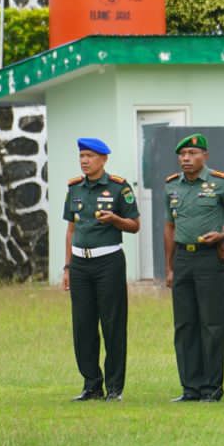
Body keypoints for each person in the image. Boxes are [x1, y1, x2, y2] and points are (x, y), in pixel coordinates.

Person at [164, 133, 224, 402]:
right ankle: (190, 387)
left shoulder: (221, 184)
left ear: (205, 156)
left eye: (192, 153)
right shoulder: (172, 186)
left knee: (211, 325)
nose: (186, 159)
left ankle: (212, 388)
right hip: (183, 259)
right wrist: (169, 267)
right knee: (185, 324)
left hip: (208, 258)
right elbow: (169, 227)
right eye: (182, 154)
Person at [62, 137, 141, 402]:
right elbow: (70, 230)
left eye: (90, 156)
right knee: (83, 325)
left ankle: (115, 387)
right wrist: (67, 267)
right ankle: (91, 385)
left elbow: (134, 224)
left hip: (108, 262)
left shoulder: (119, 187)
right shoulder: (74, 189)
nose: (85, 161)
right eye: (82, 156)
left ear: (103, 159)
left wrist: (116, 220)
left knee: (112, 324)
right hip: (80, 264)